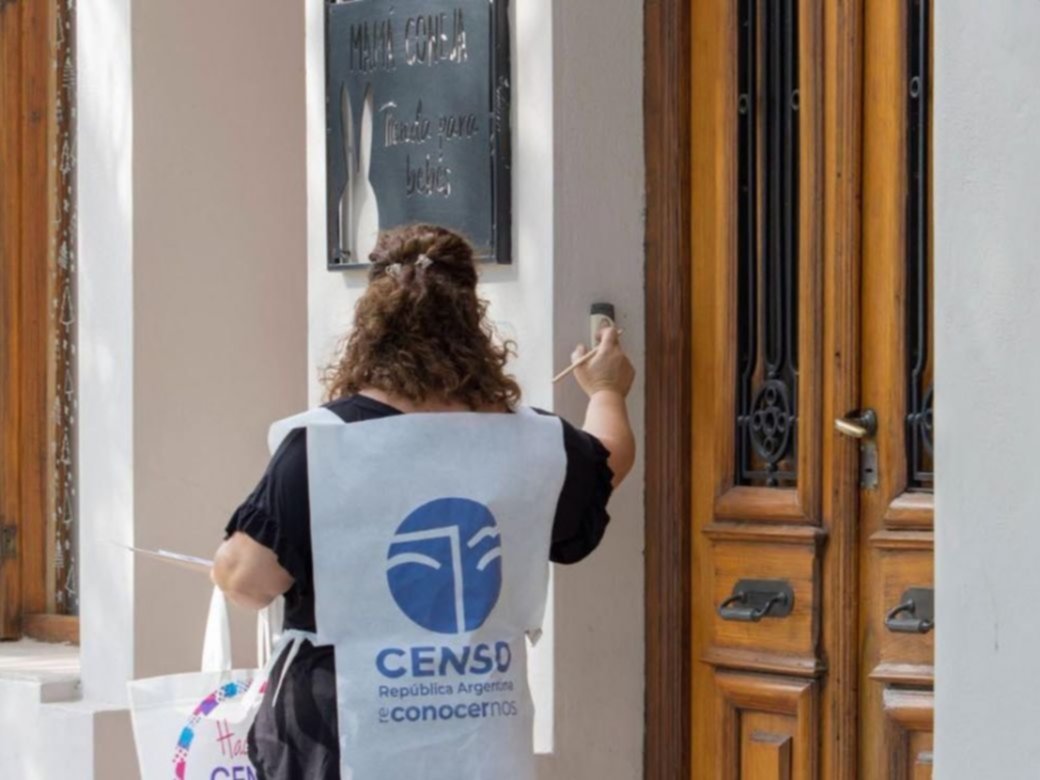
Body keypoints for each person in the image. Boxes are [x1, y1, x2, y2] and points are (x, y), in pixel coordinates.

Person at [211, 224, 635, 779]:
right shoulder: (534, 443)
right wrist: (607, 390)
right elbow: (609, 459)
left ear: (371, 323)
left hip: (342, 735)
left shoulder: (321, 446)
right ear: (471, 320)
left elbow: (247, 580)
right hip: (477, 736)